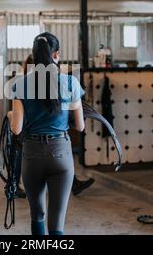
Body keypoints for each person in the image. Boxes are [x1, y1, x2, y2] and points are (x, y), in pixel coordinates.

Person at [8, 32, 85, 235]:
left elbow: (16, 129)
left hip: (32, 154)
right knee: (57, 222)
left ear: (33, 56)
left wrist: (10, 116)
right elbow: (80, 126)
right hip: (61, 152)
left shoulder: (20, 85)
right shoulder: (71, 83)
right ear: (56, 54)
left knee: (37, 215)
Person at [13, 55, 94, 199]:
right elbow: (80, 126)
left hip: (31, 138)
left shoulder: (22, 84)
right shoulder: (60, 83)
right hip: (52, 140)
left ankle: (13, 183)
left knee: (21, 149)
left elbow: (16, 126)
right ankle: (14, 182)